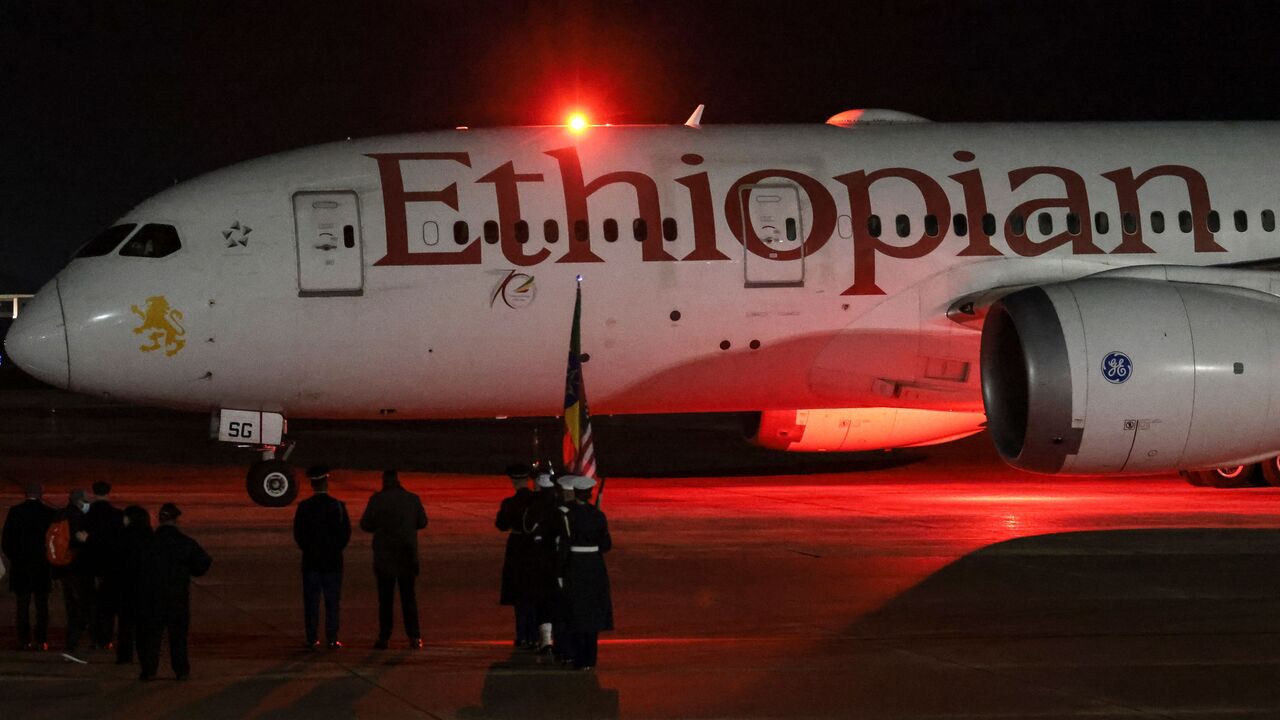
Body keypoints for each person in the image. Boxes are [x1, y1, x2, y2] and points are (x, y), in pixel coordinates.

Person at [138, 503, 211, 681]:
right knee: (178, 636)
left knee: (152, 636)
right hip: (177, 596)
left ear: (159, 519)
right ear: (176, 520)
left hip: (153, 596)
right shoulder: (185, 542)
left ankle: (149, 670)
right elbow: (203, 562)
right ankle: (181, 670)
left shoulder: (149, 542)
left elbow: (137, 566)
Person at [359, 469, 428, 650]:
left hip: (385, 556)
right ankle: (414, 636)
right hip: (407, 555)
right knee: (408, 598)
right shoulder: (412, 499)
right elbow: (422, 522)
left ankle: (384, 637)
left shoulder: (377, 500)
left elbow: (365, 524)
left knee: (385, 600)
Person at [554, 475, 613, 671]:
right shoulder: (598, 516)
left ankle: (579, 658)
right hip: (595, 566)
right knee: (592, 613)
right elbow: (606, 545)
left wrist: (560, 572)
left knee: (577, 613)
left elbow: (564, 546)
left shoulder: (568, 516)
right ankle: (590, 658)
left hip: (575, 566)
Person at [293, 465, 351, 650]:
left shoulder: (305, 507)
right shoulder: (337, 506)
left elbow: (299, 534)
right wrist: (334, 550)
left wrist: (310, 550)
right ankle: (332, 638)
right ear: (326, 482)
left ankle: (312, 638)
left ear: (312, 484)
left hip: (311, 562)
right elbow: (345, 533)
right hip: (332, 562)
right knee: (332, 602)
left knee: (311, 603)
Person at [2, 481, 56, 651]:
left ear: (26, 494)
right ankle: (41, 639)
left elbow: (7, 540)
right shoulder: (48, 513)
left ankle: (24, 640)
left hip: (21, 566)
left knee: (22, 605)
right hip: (41, 566)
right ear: (40, 494)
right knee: (42, 605)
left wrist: (15, 557)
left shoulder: (15, 512)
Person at [495, 463, 538, 648]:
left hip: (517, 547)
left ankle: (521, 635)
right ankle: (534, 634)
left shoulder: (509, 503)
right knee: (534, 593)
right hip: (535, 546)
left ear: (513, 481)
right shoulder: (537, 501)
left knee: (520, 595)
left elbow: (501, 525)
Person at [521, 471, 562, 654]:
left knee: (542, 599)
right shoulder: (559, 505)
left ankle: (545, 639)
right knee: (556, 598)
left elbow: (527, 528)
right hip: (558, 558)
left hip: (539, 559)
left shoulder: (533, 506)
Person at [83, 480, 125, 650]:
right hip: (111, 565)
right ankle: (106, 638)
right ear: (108, 492)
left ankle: (94, 637)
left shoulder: (87, 515)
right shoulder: (117, 515)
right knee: (109, 603)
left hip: (90, 564)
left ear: (94, 492)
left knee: (92, 603)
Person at [52, 489, 93, 660]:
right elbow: (80, 541)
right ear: (80, 501)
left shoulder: (59, 514)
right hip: (77, 567)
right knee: (79, 606)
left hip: (62, 566)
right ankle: (73, 641)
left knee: (71, 604)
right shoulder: (79, 517)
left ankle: (73, 638)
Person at [115, 505, 153, 665]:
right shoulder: (150, 536)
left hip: (126, 585)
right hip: (146, 586)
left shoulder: (123, 536)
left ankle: (125, 656)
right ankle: (145, 654)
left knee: (125, 623)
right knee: (144, 624)